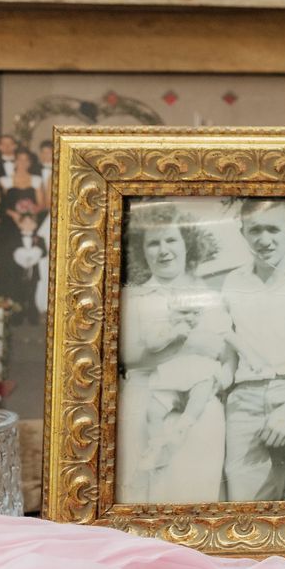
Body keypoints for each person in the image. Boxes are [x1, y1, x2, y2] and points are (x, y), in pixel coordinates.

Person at [117, 202, 232, 503]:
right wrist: (190, 343)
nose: (163, 250)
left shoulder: (209, 297)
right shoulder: (135, 297)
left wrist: (223, 378)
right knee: (144, 492)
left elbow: (226, 351)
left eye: (171, 240)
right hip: (147, 401)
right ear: (142, 252)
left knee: (194, 491)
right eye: (153, 243)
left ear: (186, 244)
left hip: (199, 407)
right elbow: (130, 356)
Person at [221, 199, 285, 502]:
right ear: (243, 233)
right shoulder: (233, 282)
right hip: (245, 399)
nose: (265, 240)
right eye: (255, 230)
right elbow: (230, 353)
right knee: (244, 502)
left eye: (273, 229)